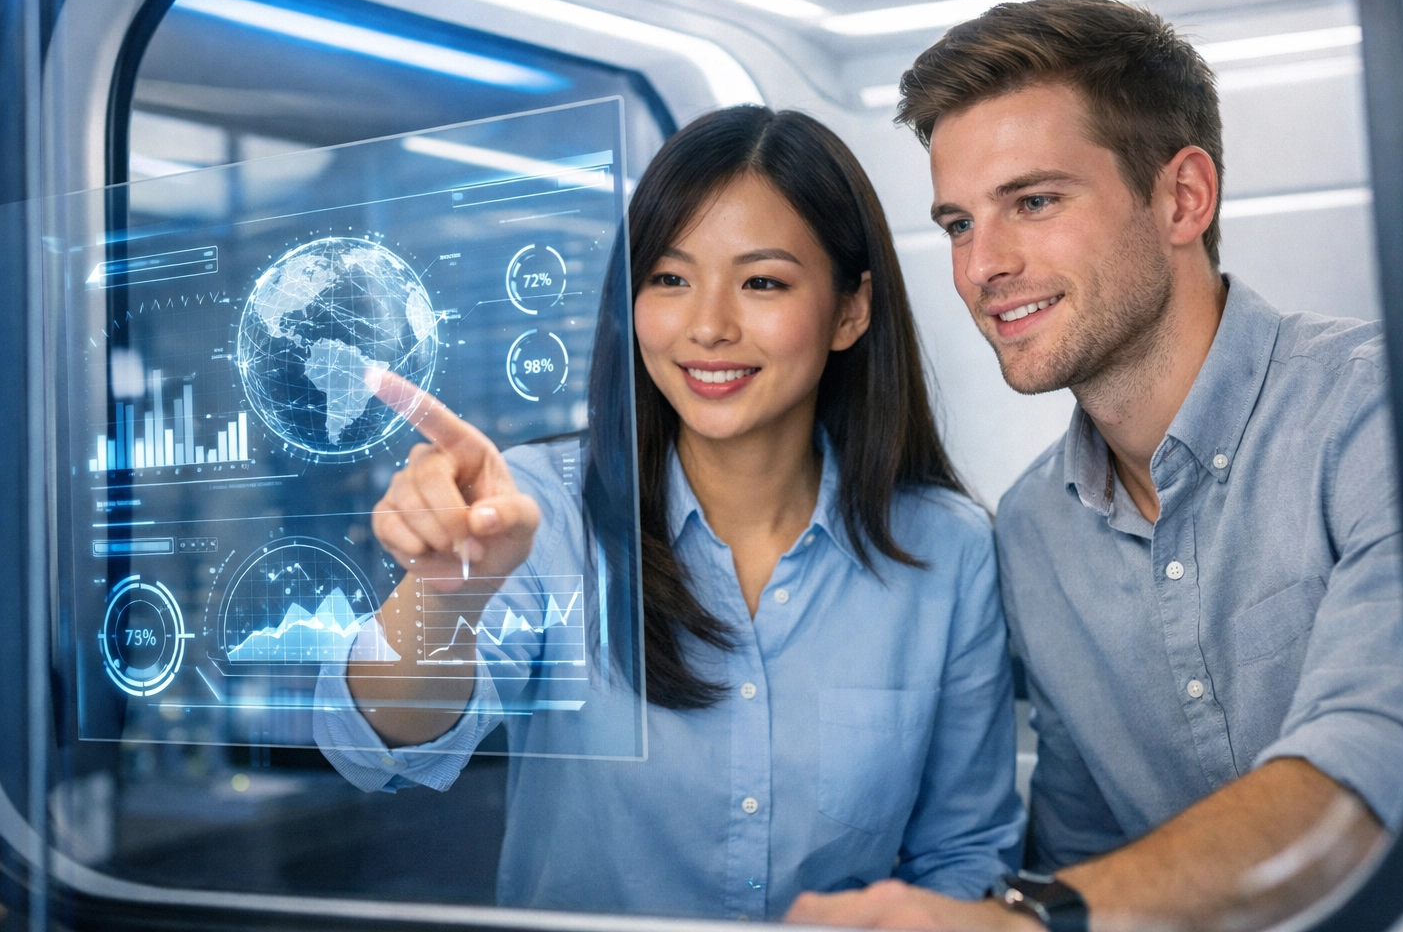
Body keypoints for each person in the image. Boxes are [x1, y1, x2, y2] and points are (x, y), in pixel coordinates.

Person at [787, 0, 1403, 932]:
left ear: (1181, 198)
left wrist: (1038, 918)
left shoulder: (1383, 418)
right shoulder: (1034, 530)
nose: (981, 267)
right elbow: (1083, 851)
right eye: (959, 223)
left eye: (1033, 202)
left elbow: (1376, 768)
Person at [312, 106, 1024, 920]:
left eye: (763, 282)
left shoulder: (946, 548)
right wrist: (445, 593)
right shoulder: (542, 508)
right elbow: (377, 748)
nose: (708, 327)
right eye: (670, 279)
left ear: (850, 311)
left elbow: (966, 852)